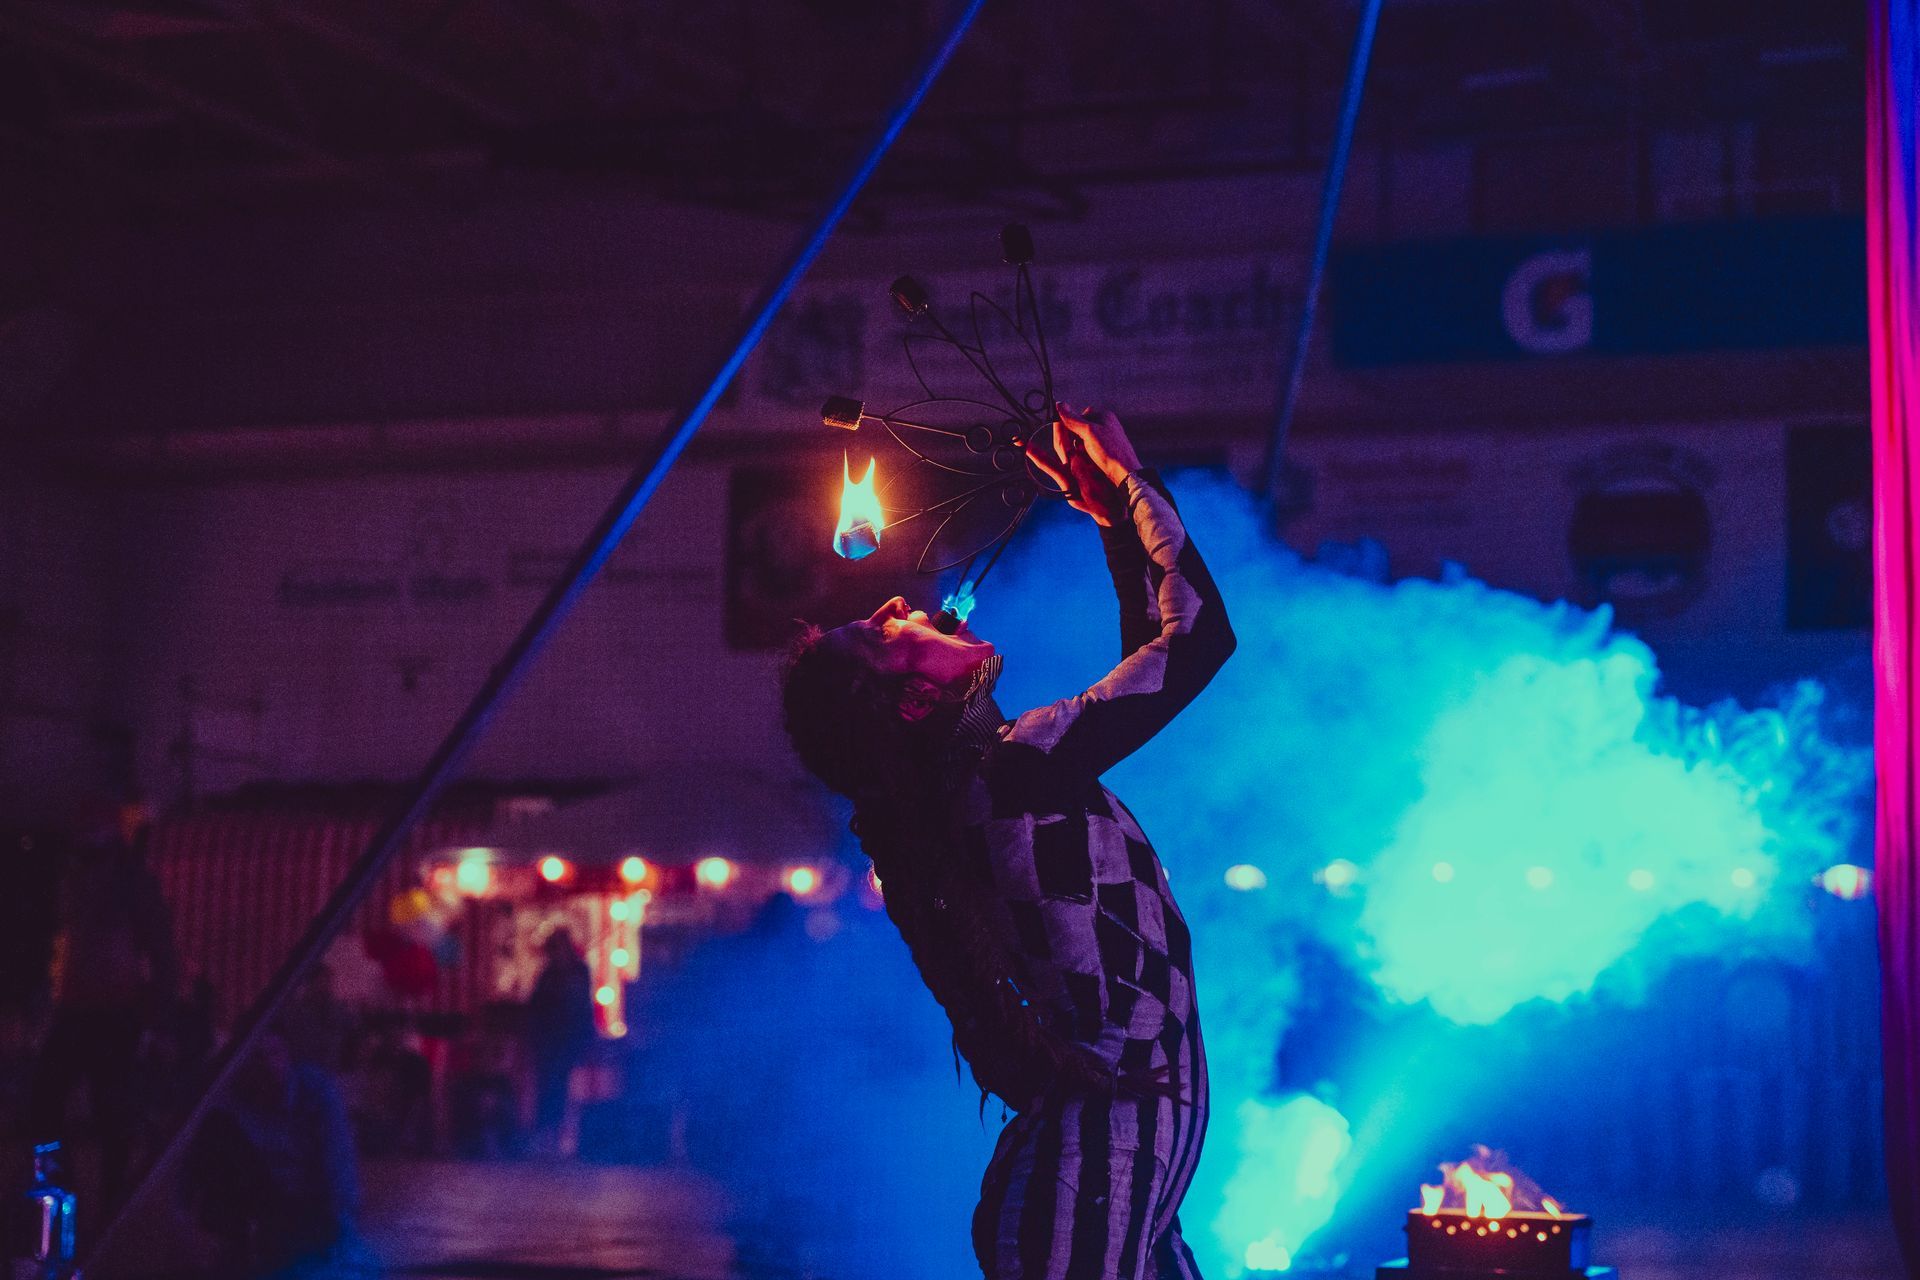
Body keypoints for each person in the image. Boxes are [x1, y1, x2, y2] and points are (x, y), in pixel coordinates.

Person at [781, 404, 1235, 1279]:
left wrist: (1111, 520)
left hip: (1109, 1174)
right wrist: (1131, 485)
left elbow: (1156, 649)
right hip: (1089, 1182)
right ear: (913, 704)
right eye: (882, 634)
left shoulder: (993, 779)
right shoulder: (1011, 769)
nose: (893, 603)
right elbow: (1196, 640)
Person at [29, 800, 177, 1214]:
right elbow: (63, 943)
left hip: (115, 1010)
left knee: (110, 1107)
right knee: (46, 1099)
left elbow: (162, 952)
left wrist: (161, 1020)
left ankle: (112, 1199)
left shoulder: (133, 883)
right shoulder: (71, 879)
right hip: (74, 1007)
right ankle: (60, 1186)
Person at [183, 1025, 372, 1279]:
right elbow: (190, 1162)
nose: (269, 1064)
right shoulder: (227, 1094)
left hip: (305, 1202)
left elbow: (339, 1158)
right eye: (258, 1056)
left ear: (288, 1055)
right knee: (217, 1129)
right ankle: (233, 1241)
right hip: (257, 1196)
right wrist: (185, 1228)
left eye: (275, 1053)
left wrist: (345, 1226)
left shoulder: (315, 1091)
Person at [523, 927, 595, 1154]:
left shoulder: (573, 972)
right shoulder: (553, 973)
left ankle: (554, 1131)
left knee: (557, 1084)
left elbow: (580, 1006)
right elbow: (536, 1006)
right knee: (551, 1084)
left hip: (564, 1036)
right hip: (552, 1037)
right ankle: (550, 1131)